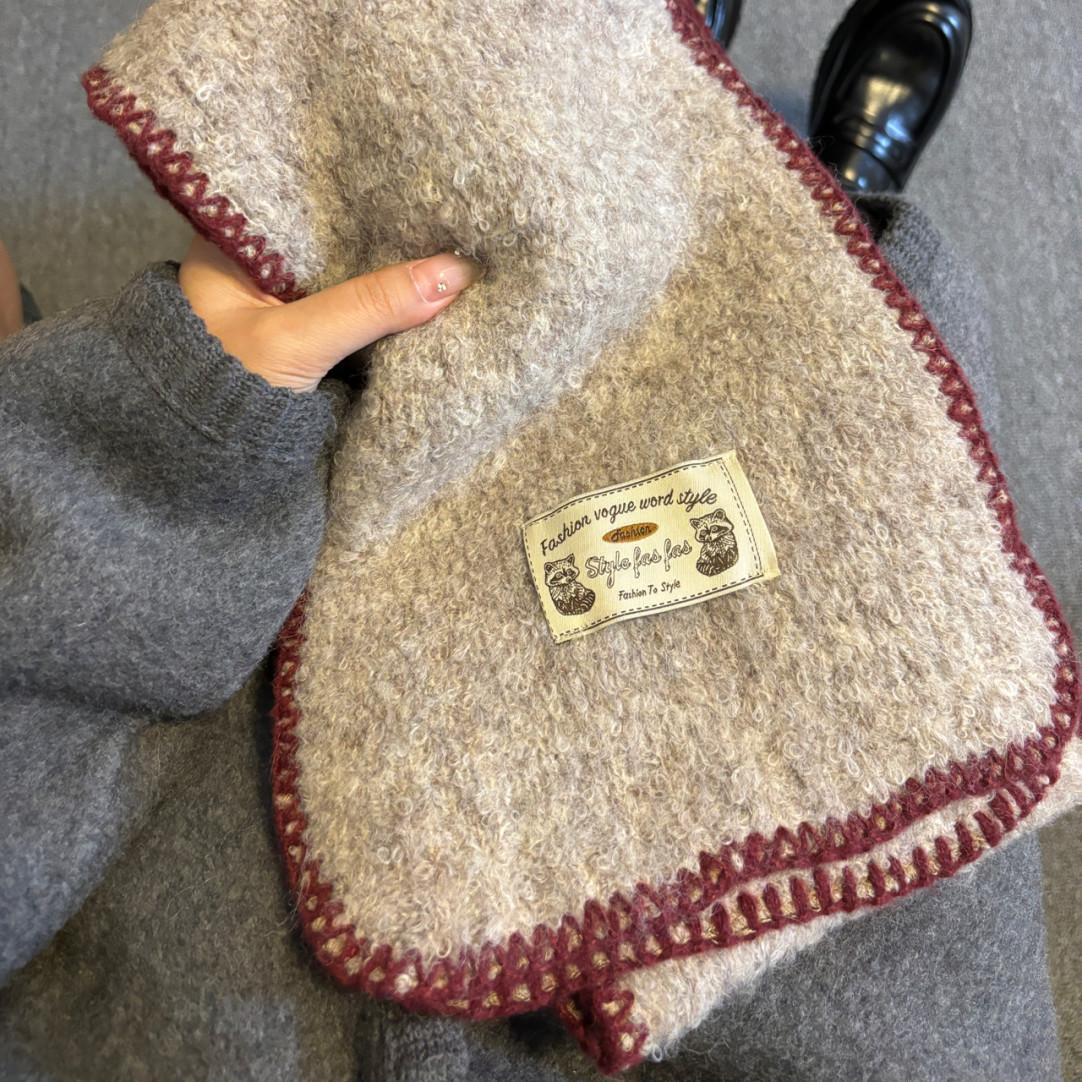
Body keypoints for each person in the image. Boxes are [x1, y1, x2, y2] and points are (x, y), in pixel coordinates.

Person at [0, 1, 1063, 1080]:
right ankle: (797, 176)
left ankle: (659, 131)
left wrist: (172, 445)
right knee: (860, 333)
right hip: (772, 965)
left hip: (206, 751)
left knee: (657, 280)